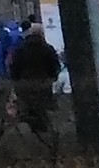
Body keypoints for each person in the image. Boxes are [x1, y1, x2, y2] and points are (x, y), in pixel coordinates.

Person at [8, 23, 62, 151]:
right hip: (43, 83)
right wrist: (52, 77)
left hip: (25, 83)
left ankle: (31, 131)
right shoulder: (48, 49)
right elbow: (54, 66)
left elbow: (15, 66)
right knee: (42, 107)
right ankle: (43, 132)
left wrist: (16, 80)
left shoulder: (21, 49)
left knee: (27, 107)